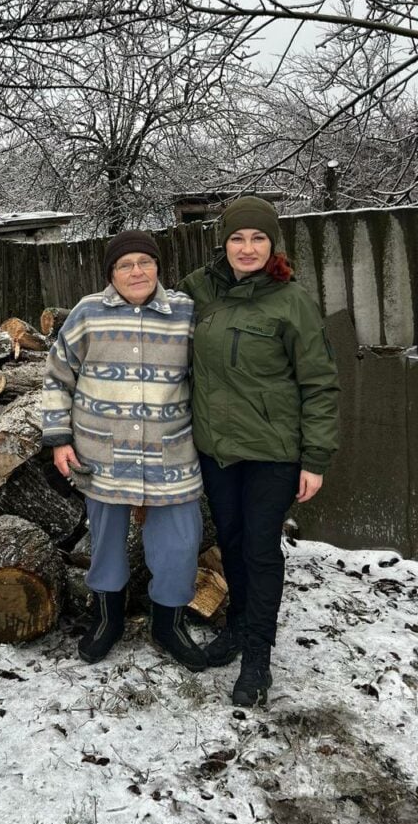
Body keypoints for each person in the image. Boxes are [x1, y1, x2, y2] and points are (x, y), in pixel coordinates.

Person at [179, 196, 339, 706]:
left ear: (273, 244)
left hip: (273, 450)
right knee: (230, 540)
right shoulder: (199, 291)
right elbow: (152, 321)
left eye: (258, 238)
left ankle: (257, 654)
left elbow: (319, 383)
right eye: (237, 238)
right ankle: (237, 627)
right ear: (223, 243)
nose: (247, 248)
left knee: (260, 547)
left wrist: (315, 458)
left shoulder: (292, 301)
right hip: (217, 449)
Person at [42, 229, 206, 670]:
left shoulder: (185, 313)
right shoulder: (88, 314)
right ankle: (106, 619)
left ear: (158, 267)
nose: (137, 271)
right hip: (103, 457)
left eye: (144, 262)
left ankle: (167, 624)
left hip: (172, 455)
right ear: (111, 274)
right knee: (107, 544)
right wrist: (58, 438)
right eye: (125, 265)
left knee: (179, 545)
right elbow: (58, 376)